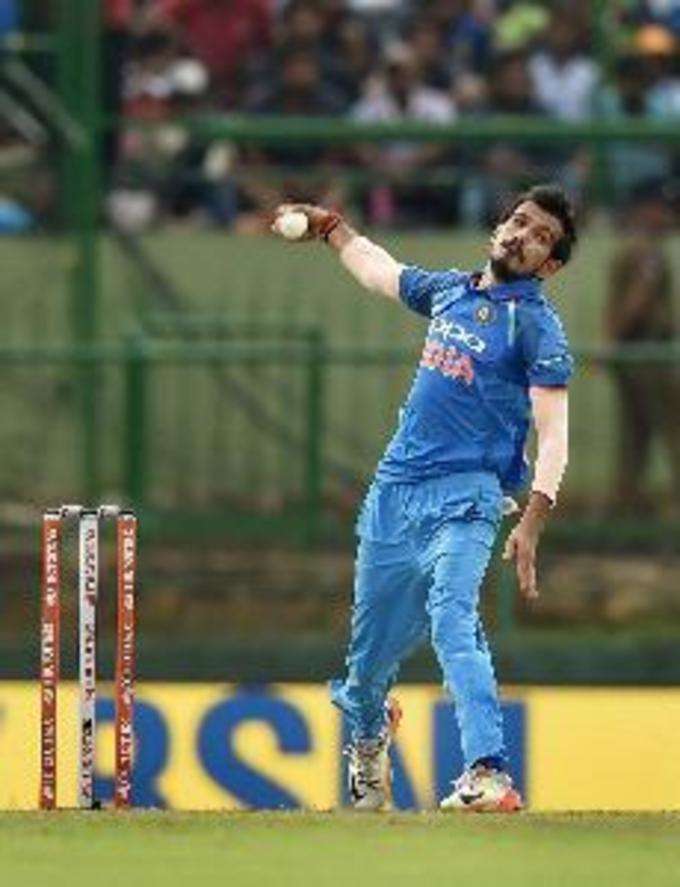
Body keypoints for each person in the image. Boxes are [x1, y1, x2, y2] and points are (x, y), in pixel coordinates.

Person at [272, 184, 576, 812]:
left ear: (549, 266)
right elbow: (382, 273)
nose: (522, 235)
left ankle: (487, 771)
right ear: (499, 225)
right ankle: (369, 734)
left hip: (470, 495)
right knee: (366, 665)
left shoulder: (536, 325)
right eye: (519, 221)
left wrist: (534, 522)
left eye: (541, 236)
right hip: (395, 492)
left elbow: (555, 437)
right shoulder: (450, 291)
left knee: (452, 616)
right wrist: (334, 230)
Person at [605, 182, 680, 511]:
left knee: (636, 434)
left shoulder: (641, 251)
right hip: (643, 354)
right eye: (662, 209)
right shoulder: (643, 255)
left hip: (638, 352)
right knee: (667, 428)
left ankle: (627, 502)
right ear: (646, 212)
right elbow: (632, 305)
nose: (668, 216)